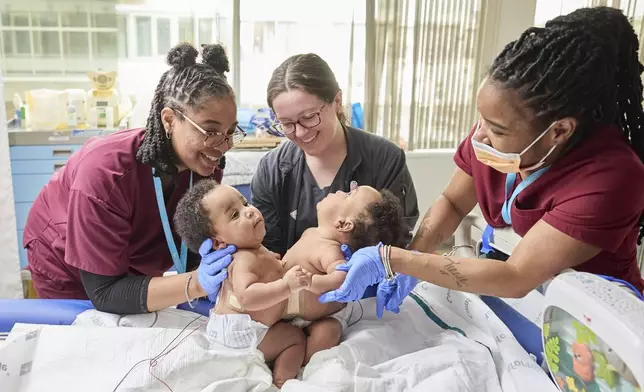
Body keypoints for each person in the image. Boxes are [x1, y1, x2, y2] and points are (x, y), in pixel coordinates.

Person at [319, 7, 644, 312]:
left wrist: (393, 259)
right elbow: (453, 202)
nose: (479, 137)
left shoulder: (612, 177)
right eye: (482, 120)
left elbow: (517, 276)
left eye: (497, 129)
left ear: (559, 131)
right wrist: (414, 253)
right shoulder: (496, 138)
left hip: (597, 324)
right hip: (528, 304)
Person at [22, 42, 243, 314]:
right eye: (210, 131)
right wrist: (195, 283)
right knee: (86, 338)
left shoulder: (205, 163)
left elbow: (192, 245)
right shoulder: (106, 173)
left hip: (128, 260)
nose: (224, 145)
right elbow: (104, 292)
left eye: (231, 132)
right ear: (170, 120)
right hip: (65, 260)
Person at [173, 180, 406, 366]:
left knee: (326, 331)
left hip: (302, 314)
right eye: (235, 214)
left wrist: (311, 281)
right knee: (294, 338)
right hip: (259, 326)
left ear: (343, 224)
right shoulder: (246, 258)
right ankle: (284, 377)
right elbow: (247, 295)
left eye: (347, 195)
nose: (250, 211)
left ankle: (304, 370)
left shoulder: (327, 247)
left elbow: (342, 278)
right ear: (218, 242)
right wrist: (285, 281)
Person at [250, 53, 419, 257]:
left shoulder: (384, 159)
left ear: (337, 101)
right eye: (286, 124)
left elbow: (396, 242)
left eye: (309, 117)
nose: (301, 132)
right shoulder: (272, 171)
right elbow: (266, 249)